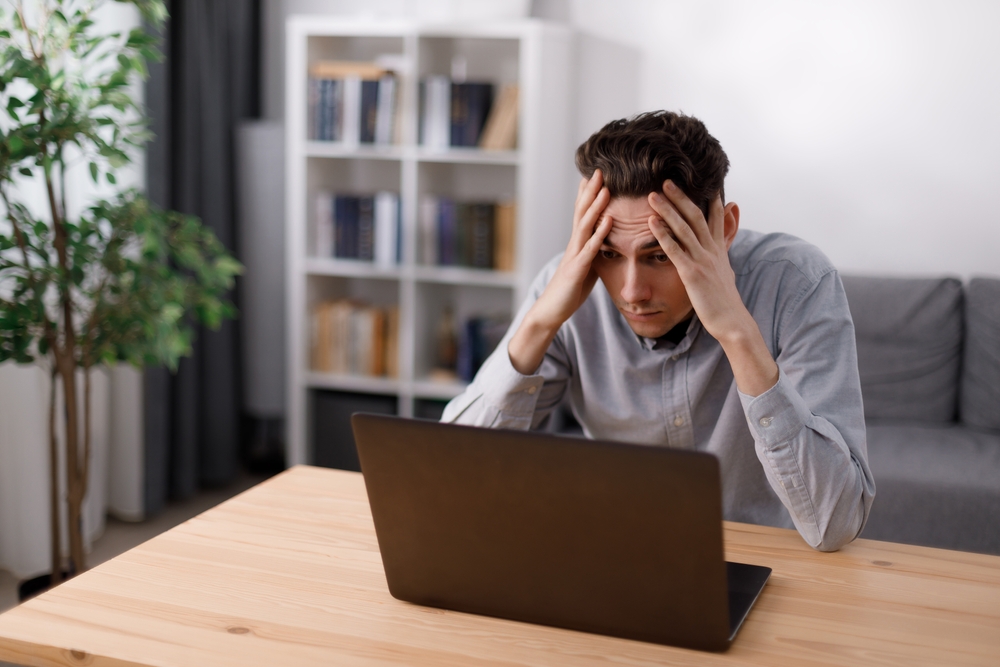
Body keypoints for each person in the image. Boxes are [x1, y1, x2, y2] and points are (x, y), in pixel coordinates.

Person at [442, 111, 875, 551]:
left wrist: (738, 334)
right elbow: (452, 478)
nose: (632, 291)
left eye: (661, 256)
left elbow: (835, 522)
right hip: (621, 556)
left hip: (772, 567)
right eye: (610, 254)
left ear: (723, 229)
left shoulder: (797, 283)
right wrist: (539, 321)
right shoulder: (569, 285)